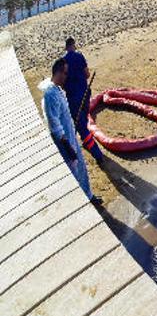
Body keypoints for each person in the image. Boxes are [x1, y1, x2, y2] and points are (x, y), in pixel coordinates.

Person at [39, 58, 102, 206]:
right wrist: (69, 147)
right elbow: (54, 125)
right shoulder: (50, 95)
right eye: (65, 73)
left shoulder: (58, 90)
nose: (66, 77)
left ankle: (89, 195)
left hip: (70, 136)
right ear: (58, 72)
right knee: (73, 172)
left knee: (81, 168)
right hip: (65, 142)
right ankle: (79, 202)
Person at [62, 37, 104, 164]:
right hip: (84, 94)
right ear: (73, 45)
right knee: (83, 120)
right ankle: (88, 143)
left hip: (73, 98)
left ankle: (98, 155)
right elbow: (87, 74)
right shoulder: (79, 56)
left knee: (81, 126)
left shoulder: (63, 61)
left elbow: (63, 82)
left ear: (66, 48)